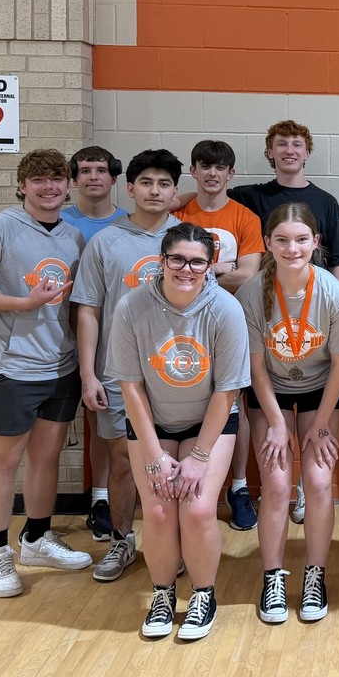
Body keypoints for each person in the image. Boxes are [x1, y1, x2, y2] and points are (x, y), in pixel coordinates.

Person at [0, 148, 93, 598]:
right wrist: (22, 303)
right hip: (9, 367)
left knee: (46, 457)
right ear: (22, 185)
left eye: (56, 179)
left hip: (60, 364)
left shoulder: (74, 236)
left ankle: (34, 537)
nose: (49, 187)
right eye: (38, 180)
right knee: (4, 461)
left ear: (67, 185)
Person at [107, 222, 249, 640]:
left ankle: (203, 594)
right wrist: (154, 455)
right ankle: (163, 593)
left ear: (210, 266)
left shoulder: (225, 309)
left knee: (199, 507)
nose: (186, 269)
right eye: (178, 259)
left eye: (197, 262)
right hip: (152, 420)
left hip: (210, 421)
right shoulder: (132, 307)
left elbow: (228, 391)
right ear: (162, 260)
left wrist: (198, 458)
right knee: (157, 510)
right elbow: (130, 387)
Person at [236, 203, 339, 623]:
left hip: (322, 389)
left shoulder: (335, 294)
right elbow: (253, 365)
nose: (292, 248)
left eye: (301, 239)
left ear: (316, 243)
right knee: (278, 482)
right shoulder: (251, 293)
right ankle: (272, 576)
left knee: (320, 482)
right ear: (267, 244)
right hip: (272, 390)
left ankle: (315, 575)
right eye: (282, 240)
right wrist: (274, 421)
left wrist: (320, 424)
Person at [73, 148, 183, 582]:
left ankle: (171, 543)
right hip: (119, 372)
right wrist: (88, 374)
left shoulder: (190, 238)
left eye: (164, 184)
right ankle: (122, 540)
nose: (155, 191)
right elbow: (88, 311)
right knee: (122, 461)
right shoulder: (106, 242)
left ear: (175, 191)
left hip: (177, 374)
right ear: (131, 187)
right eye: (147, 183)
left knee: (172, 462)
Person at [176, 139, 265, 532]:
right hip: (179, 323)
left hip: (232, 322)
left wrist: (196, 270)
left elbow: (249, 273)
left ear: (231, 174)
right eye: (204, 166)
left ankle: (240, 488)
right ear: (193, 171)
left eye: (220, 168)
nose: (212, 174)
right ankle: (185, 484)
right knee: (184, 402)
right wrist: (216, 268)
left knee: (234, 405)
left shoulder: (245, 217)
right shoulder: (177, 212)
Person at [62, 145, 128, 542]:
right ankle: (99, 497)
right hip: (59, 338)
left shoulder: (128, 225)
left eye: (101, 170)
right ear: (74, 180)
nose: (93, 177)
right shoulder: (61, 222)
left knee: (106, 425)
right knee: (93, 424)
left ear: (115, 179)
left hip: (108, 342)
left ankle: (106, 499)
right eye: (84, 170)